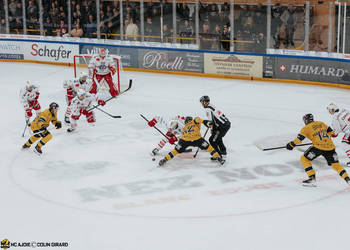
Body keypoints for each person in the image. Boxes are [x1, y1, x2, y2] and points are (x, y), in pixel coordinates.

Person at [286, 113, 350, 186]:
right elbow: (332, 133)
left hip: (318, 147)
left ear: (306, 120)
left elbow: (299, 140)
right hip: (330, 147)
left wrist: (290, 145)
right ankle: (347, 179)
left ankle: (312, 178)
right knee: (336, 165)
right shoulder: (321, 123)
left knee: (304, 159)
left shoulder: (305, 128)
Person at [158, 116, 225, 167]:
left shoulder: (185, 127)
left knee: (175, 151)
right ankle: (218, 157)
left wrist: (175, 139)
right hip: (197, 139)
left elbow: (181, 135)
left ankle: (165, 159)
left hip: (185, 140)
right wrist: (207, 123)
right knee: (209, 148)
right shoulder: (195, 121)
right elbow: (199, 120)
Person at [327, 102, 350, 167]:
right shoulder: (345, 110)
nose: (329, 112)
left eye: (329, 110)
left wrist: (330, 134)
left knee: (344, 144)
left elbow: (336, 133)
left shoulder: (335, 117)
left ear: (332, 110)